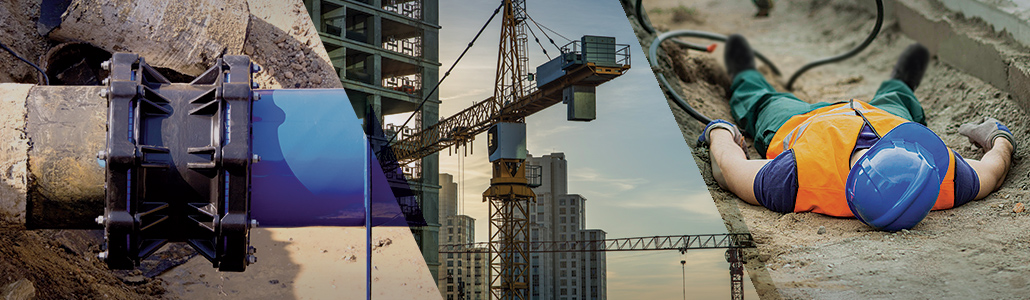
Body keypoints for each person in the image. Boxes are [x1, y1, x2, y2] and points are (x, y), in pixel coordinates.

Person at [697, 35, 1015, 231]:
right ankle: (901, 80)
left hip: (799, 122)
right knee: (898, 98)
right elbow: (993, 170)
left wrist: (720, 133)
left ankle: (742, 70)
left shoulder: (795, 178)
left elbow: (730, 170)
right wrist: (997, 136)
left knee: (760, 99)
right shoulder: (936, 178)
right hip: (884, 117)